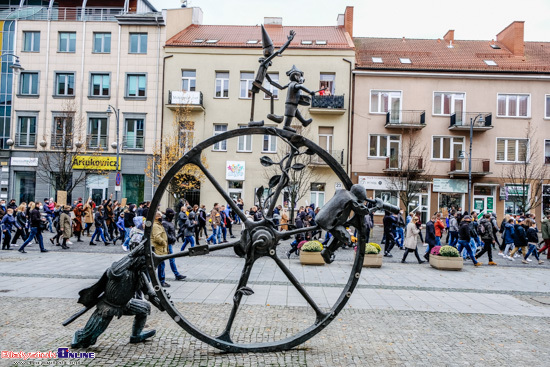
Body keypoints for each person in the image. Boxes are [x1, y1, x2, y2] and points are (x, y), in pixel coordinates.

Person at [162, 209, 186, 281]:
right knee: (168, 260)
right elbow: (165, 234)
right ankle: (176, 274)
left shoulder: (169, 222)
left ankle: (176, 274)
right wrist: (173, 238)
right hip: (167, 244)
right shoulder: (165, 223)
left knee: (171, 260)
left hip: (169, 243)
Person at [152, 211, 170, 287]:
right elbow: (157, 237)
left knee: (160, 265)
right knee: (160, 265)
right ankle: (161, 281)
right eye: (160, 216)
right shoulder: (156, 226)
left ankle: (160, 280)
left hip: (160, 249)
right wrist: (164, 243)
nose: (162, 218)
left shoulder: (158, 224)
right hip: (158, 249)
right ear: (157, 217)